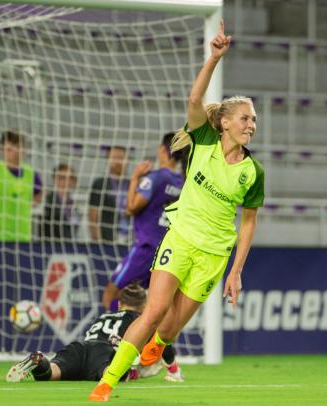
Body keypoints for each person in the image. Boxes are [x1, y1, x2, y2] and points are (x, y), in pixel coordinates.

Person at [89, 20, 265, 402]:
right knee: (152, 313)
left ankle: (158, 347)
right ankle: (106, 383)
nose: (251, 124)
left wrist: (236, 271)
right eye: (245, 117)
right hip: (180, 239)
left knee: (168, 329)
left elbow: (248, 223)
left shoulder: (253, 172)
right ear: (225, 123)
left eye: (253, 119)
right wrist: (213, 59)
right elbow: (193, 101)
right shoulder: (203, 140)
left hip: (214, 255)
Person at [101, 133, 187, 382]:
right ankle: (172, 369)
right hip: (167, 250)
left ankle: (113, 349)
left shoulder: (155, 178)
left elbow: (131, 207)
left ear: (163, 150)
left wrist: (135, 177)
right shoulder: (183, 182)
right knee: (153, 314)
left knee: (111, 294)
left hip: (146, 247)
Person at [6, 282, 147, 383]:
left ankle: (40, 361)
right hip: (106, 353)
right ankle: (120, 359)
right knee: (112, 374)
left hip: (81, 347)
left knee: (52, 372)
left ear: (118, 304)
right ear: (144, 307)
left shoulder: (104, 316)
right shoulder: (140, 320)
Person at [89, 146, 130, 243]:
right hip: (106, 240)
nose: (118, 162)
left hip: (129, 239)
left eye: (121, 158)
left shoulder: (132, 184)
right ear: (108, 160)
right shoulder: (100, 183)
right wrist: (98, 242)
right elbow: (93, 215)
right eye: (115, 158)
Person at [40, 163, 80, 240]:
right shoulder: (47, 201)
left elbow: (75, 226)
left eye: (69, 178)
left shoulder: (73, 203)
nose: (66, 181)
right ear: (54, 179)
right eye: (62, 178)